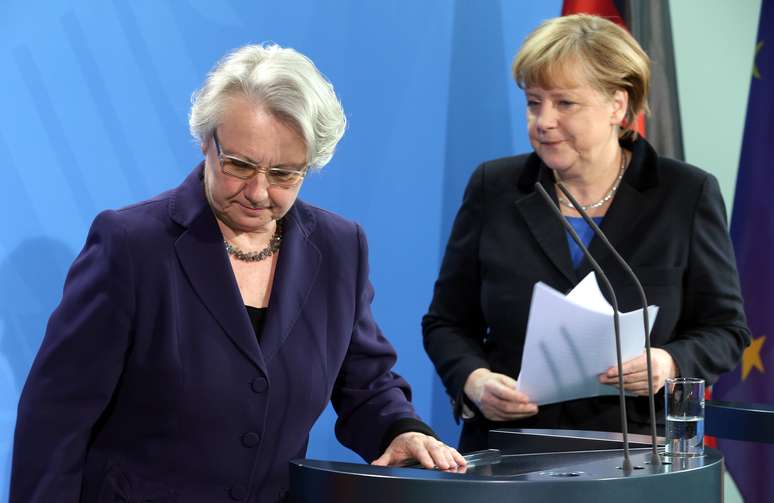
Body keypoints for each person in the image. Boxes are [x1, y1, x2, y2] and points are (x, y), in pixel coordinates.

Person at [11, 44, 464, 503]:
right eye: (240, 165)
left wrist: (398, 429)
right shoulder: (132, 245)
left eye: (285, 173)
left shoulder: (340, 247)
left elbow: (365, 382)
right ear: (207, 141)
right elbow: (57, 417)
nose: (258, 192)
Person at [422, 14, 751, 453]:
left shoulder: (684, 194)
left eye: (565, 104)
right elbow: (446, 322)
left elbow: (725, 329)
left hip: (637, 453)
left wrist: (668, 362)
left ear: (617, 105)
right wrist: (474, 380)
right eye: (534, 102)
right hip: (511, 451)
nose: (543, 121)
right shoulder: (494, 188)